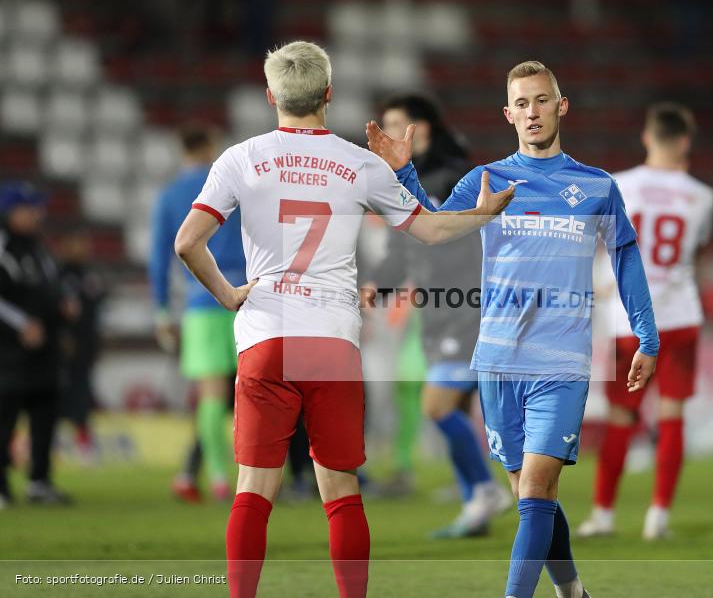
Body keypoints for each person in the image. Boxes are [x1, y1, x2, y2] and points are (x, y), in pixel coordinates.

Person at [172, 40, 514, 598]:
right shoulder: (360, 163)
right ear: (329, 94)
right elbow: (428, 230)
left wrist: (230, 295)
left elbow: (188, 243)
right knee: (341, 491)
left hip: (266, 336)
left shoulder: (240, 157)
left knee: (254, 491)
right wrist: (480, 213)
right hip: (330, 338)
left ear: (270, 94)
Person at [367, 60, 658, 598]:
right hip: (498, 359)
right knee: (532, 494)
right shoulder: (486, 182)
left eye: (542, 100)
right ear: (508, 114)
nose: (533, 112)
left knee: (539, 487)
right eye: (522, 104)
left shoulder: (595, 186)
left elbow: (626, 258)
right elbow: (429, 231)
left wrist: (647, 335)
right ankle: (571, 590)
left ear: (561, 105)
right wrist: (405, 175)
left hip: (561, 361)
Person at [366, 93, 511, 535]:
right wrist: (381, 284)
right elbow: (402, 247)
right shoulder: (406, 184)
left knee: (437, 405)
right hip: (436, 308)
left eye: (394, 124)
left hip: (464, 305)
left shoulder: (451, 179)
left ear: (420, 128)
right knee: (457, 412)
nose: (386, 134)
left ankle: (487, 491)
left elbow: (441, 236)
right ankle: (475, 509)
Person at [577, 103, 713, 541]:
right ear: (686, 142)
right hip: (679, 316)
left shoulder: (618, 184)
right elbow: (694, 253)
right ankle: (658, 518)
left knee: (621, 417)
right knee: (672, 414)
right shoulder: (702, 195)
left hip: (628, 320)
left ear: (647, 137)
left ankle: (603, 514)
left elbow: (599, 246)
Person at [149, 125, 246, 502]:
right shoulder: (235, 184)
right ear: (210, 147)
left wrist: (161, 311)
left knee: (210, 395)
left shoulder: (169, 196)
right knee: (252, 392)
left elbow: (160, 258)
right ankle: (256, 475)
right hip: (243, 299)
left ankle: (219, 478)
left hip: (201, 303)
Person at [0, 182, 74, 508]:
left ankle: (39, 481)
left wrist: (63, 308)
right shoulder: (4, 247)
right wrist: (21, 324)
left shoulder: (39, 247)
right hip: (9, 353)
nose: (37, 214)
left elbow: (51, 287)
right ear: (11, 212)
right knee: (5, 418)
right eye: (30, 208)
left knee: (46, 414)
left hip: (45, 351)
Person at [58, 227, 107, 462]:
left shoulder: (89, 276)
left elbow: (95, 310)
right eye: (79, 242)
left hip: (86, 347)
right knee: (63, 394)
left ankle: (82, 442)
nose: (85, 248)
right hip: (67, 348)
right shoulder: (60, 275)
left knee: (81, 394)